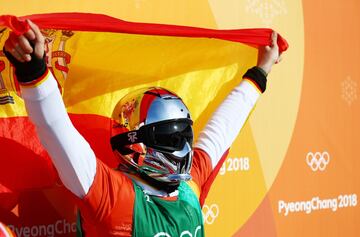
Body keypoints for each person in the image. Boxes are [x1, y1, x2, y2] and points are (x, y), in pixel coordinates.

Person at [4, 19, 282, 237]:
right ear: (134, 143)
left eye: (185, 133)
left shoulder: (188, 187)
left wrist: (261, 71)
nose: (183, 145)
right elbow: (58, 132)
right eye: (172, 137)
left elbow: (222, 128)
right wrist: (33, 70)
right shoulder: (116, 199)